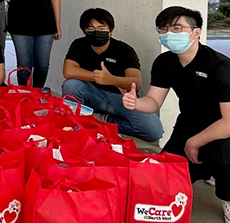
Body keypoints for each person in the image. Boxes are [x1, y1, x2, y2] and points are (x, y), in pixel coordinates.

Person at [123, 6, 230, 223]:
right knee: (165, 175)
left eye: (177, 27)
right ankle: (209, 170)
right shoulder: (165, 62)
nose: (169, 32)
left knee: (222, 154)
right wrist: (136, 103)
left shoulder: (221, 67)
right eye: (164, 28)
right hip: (191, 124)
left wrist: (194, 142)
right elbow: (154, 101)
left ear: (196, 32)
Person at [62, 8, 163, 142]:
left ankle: (101, 121)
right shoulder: (79, 45)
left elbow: (136, 82)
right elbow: (68, 71)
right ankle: (75, 125)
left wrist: (112, 80)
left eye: (101, 28)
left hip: (120, 99)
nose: (96, 32)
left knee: (153, 131)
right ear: (84, 31)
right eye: (91, 29)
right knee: (71, 85)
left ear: (110, 30)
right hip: (93, 95)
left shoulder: (124, 50)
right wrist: (97, 77)